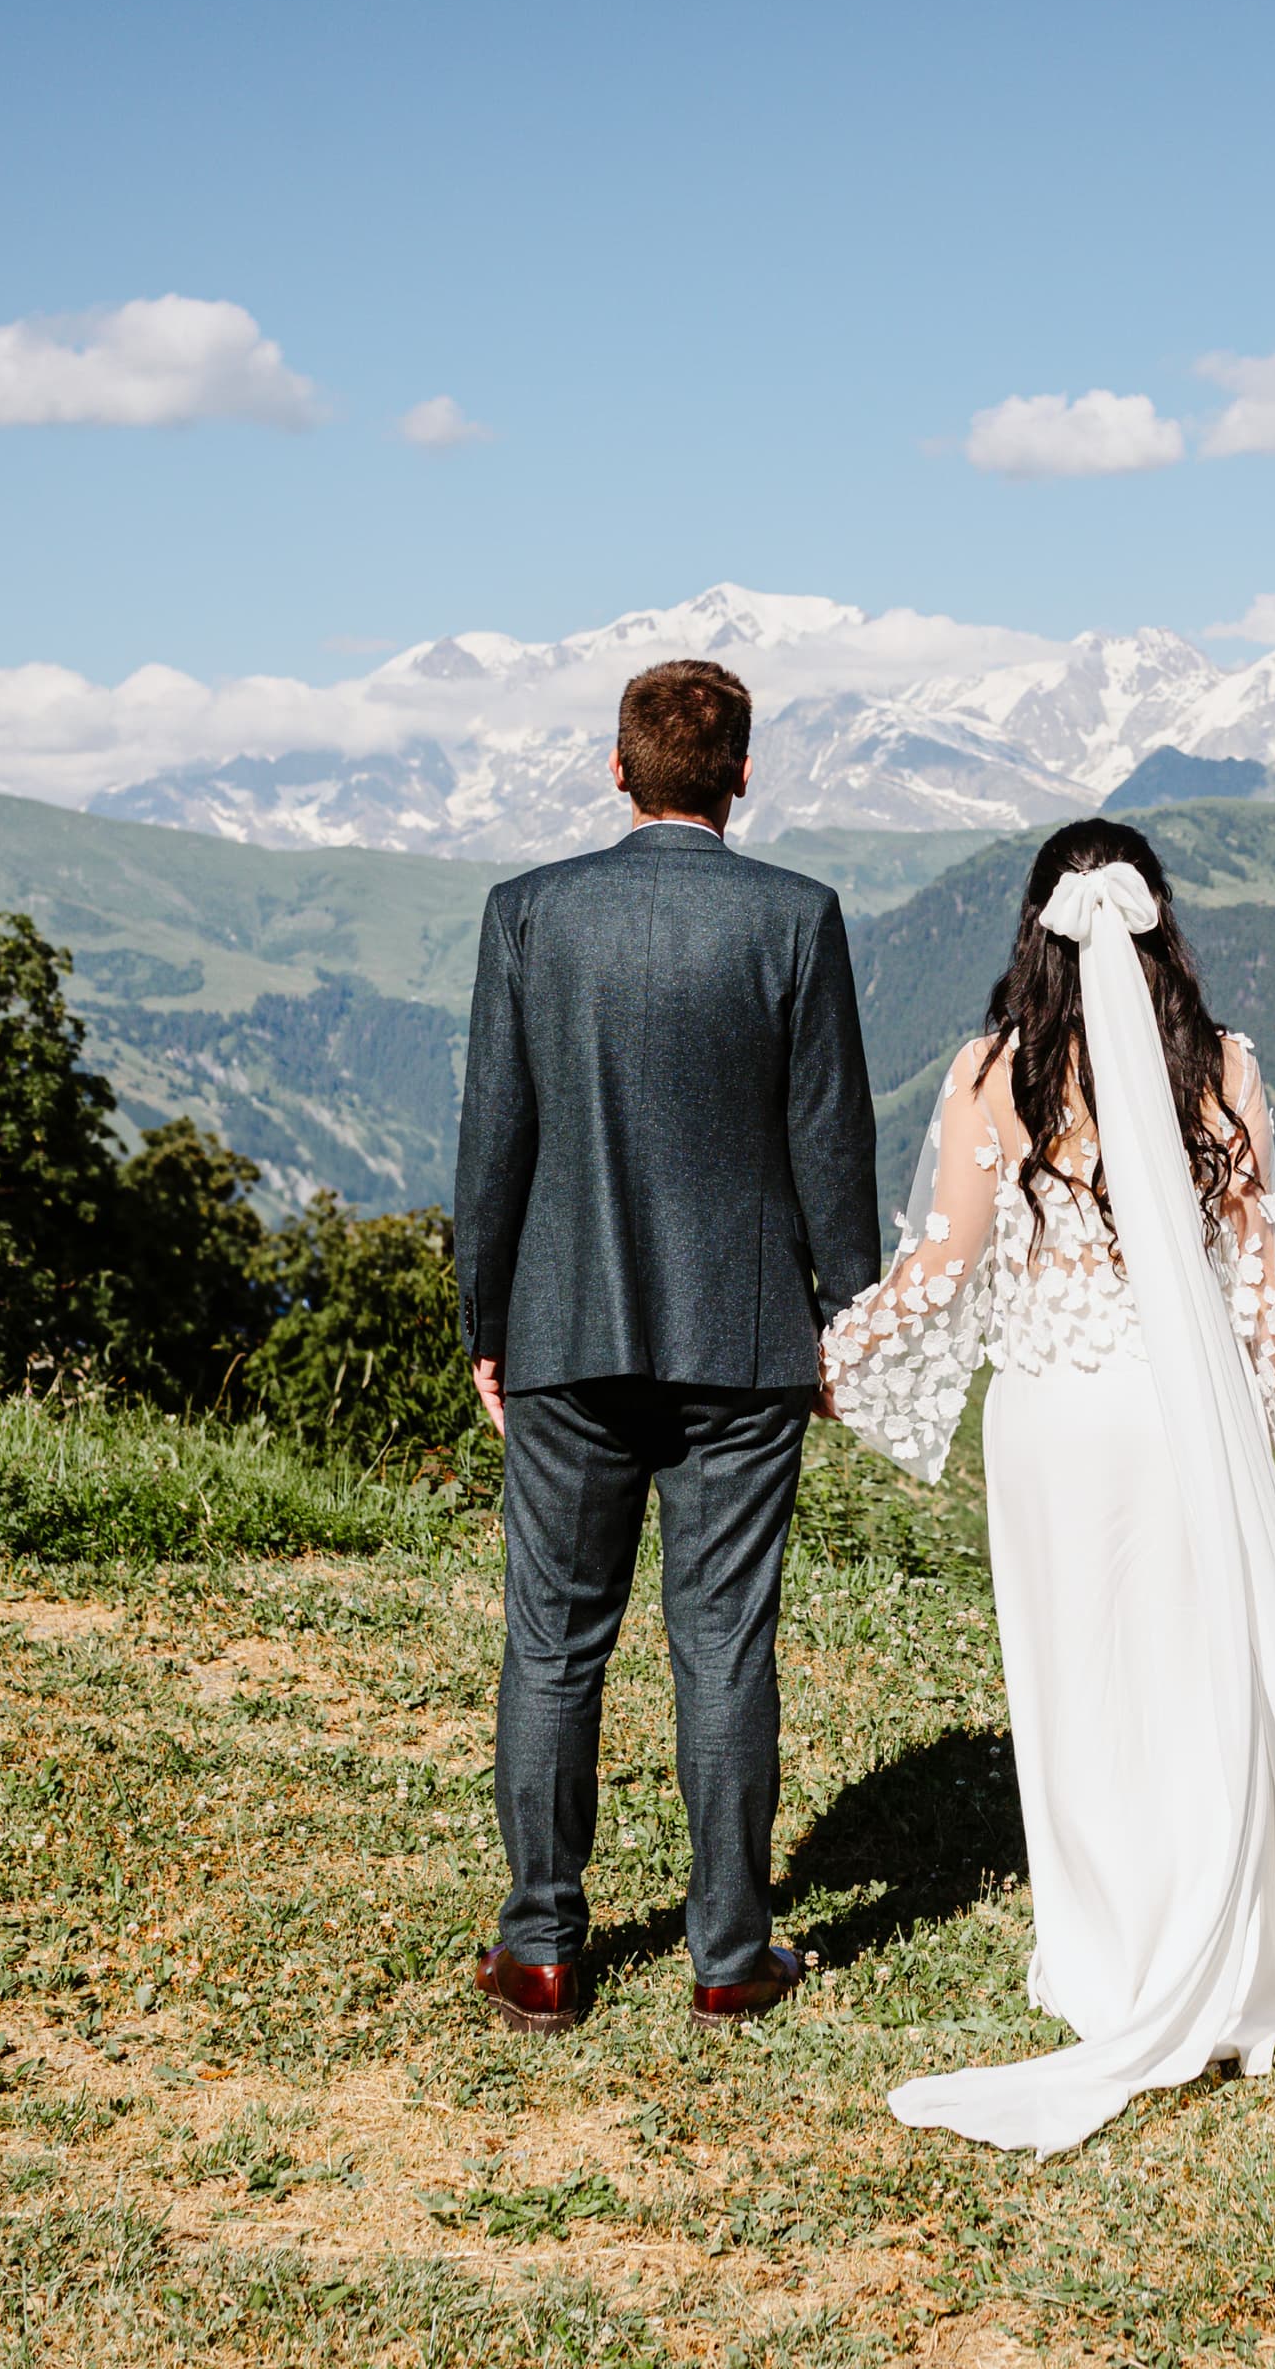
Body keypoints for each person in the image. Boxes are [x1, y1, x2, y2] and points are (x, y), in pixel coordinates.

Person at [821, 819, 1275, 2152]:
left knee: (1080, 1684)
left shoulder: (993, 1073)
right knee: (1196, 1675)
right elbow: (1264, 1262)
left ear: (1035, 934)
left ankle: (1111, 1959)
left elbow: (940, 1265)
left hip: (1055, 1425)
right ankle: (1225, 1956)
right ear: (1161, 923)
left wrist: (833, 1361)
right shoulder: (1221, 1070)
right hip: (1184, 1421)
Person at [453, 657, 882, 2034]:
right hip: (744, 1338)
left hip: (562, 1331)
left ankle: (540, 1949)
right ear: (744, 775)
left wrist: (485, 1323)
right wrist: (849, 1319)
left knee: (553, 1643)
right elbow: (831, 1143)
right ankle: (728, 1954)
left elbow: (494, 1140)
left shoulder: (529, 916)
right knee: (723, 1645)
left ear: (616, 766)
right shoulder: (797, 919)